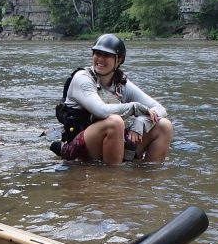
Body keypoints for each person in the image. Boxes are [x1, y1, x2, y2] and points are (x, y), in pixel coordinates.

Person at [51, 34, 173, 164]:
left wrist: (141, 122)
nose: (100, 59)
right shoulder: (82, 79)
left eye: (107, 55)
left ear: (119, 60)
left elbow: (160, 109)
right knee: (115, 122)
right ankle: (114, 179)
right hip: (78, 147)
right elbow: (101, 111)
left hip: (112, 143)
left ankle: (148, 179)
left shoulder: (121, 84)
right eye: (97, 53)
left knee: (164, 125)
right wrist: (134, 108)